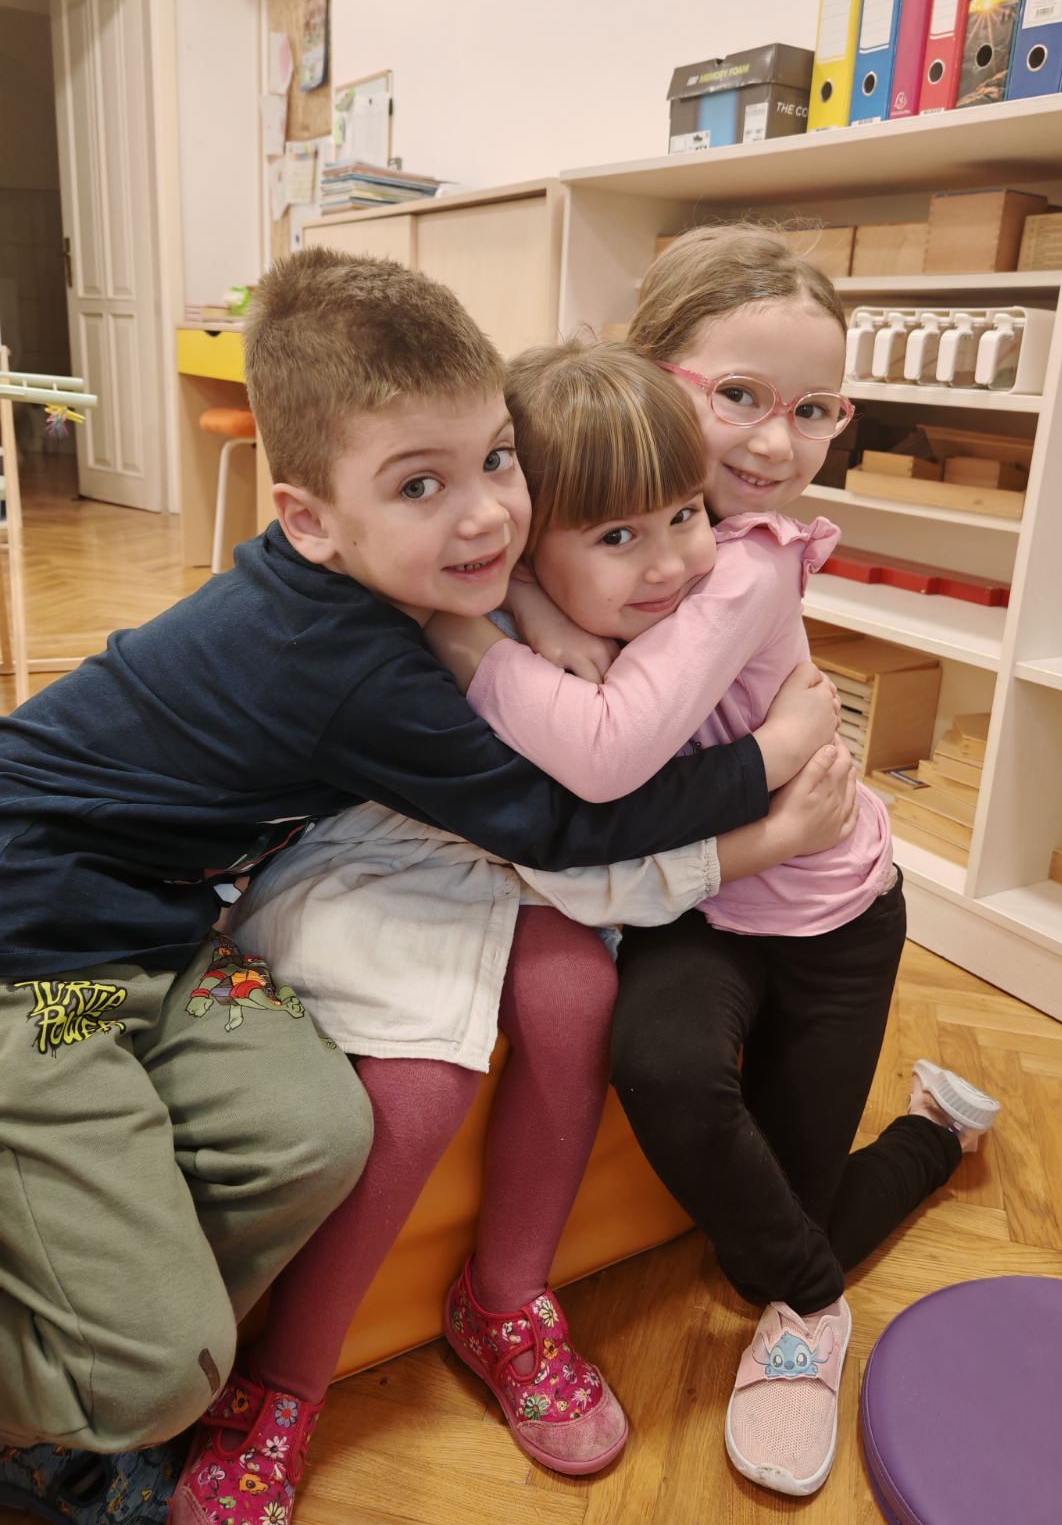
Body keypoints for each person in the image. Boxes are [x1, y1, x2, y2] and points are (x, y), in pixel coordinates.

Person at [0, 246, 825, 1525]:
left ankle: (177, 1351)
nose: (488, 515)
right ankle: (124, 1384)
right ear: (310, 519)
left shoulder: (367, 584)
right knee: (157, 1366)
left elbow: (510, 644)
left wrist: (527, 619)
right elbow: (563, 819)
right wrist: (766, 772)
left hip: (156, 940)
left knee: (310, 1134)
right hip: (37, 970)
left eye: (497, 460)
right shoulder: (345, 664)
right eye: (421, 484)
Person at [427, 290, 1001, 1499]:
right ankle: (820, 1291)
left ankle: (932, 1137)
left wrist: (479, 637)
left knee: (768, 1249)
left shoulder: (744, 559)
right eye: (739, 396)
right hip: (699, 908)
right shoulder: (626, 508)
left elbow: (603, 755)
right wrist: (520, 601)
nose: (773, 443)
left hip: (832, 914)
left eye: (814, 410)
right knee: (667, 1063)